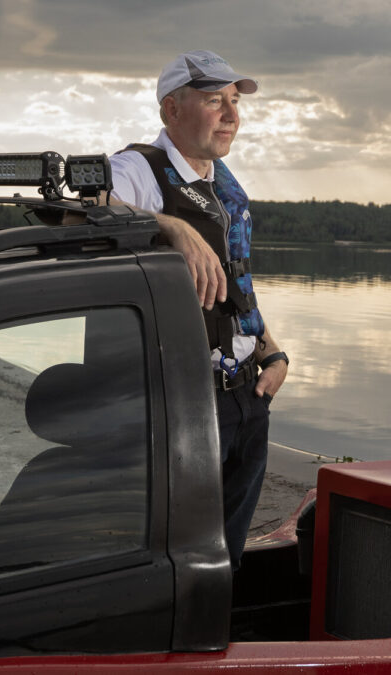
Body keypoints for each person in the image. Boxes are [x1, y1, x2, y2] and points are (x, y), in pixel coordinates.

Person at [107, 50, 287, 567]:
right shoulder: (140, 169)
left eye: (234, 101)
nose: (233, 115)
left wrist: (273, 355)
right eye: (215, 101)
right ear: (171, 110)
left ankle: (218, 643)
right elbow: (81, 210)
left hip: (248, 396)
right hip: (184, 406)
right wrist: (170, 226)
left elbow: (237, 287)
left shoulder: (224, 189)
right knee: (180, 557)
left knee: (225, 553)